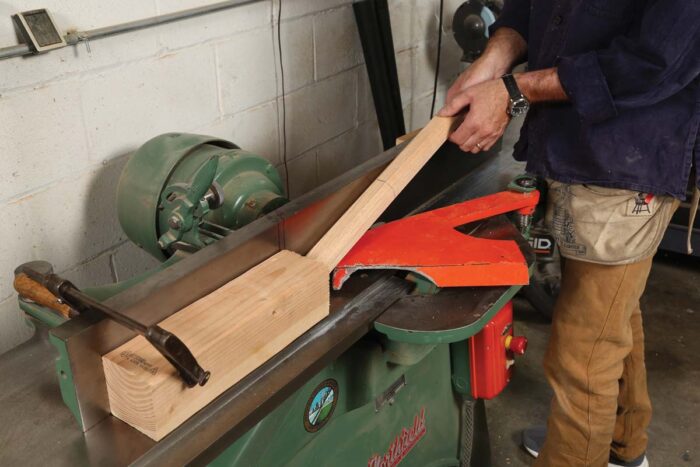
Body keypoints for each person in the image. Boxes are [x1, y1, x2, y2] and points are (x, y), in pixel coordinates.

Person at [439, 1, 700, 466]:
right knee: (610, 314)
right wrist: (491, 64)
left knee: (581, 358)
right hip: (574, 146)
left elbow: (652, 63)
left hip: (628, 157)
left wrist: (513, 91)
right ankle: (622, 445)